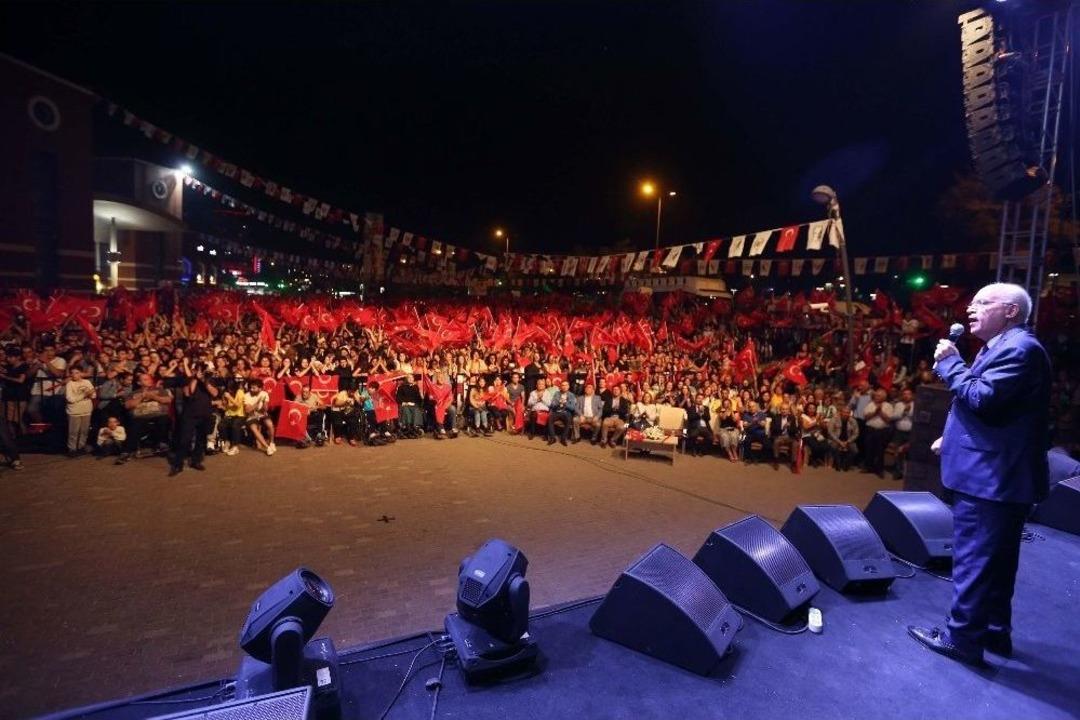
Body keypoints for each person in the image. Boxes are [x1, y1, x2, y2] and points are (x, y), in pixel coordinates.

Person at [908, 283, 1051, 667]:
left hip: (991, 480)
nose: (970, 309)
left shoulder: (1019, 349)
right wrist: (951, 438)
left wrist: (950, 363)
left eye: (982, 303)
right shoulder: (1004, 347)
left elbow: (981, 397)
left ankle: (963, 639)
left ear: (1010, 311)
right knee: (998, 562)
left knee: (974, 561)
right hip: (999, 475)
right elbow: (1001, 411)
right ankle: (993, 632)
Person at [170, 358, 219, 476]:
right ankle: (177, 465)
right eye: (199, 370)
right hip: (190, 415)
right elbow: (189, 392)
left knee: (201, 440)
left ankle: (196, 461)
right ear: (194, 370)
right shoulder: (187, 380)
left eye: (203, 370)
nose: (202, 372)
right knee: (184, 440)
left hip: (205, 414)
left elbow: (215, 393)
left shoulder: (209, 380)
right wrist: (196, 379)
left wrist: (204, 381)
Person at [64, 366, 96, 456]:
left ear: (81, 373)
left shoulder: (87, 382)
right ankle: (72, 449)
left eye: (77, 373)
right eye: (72, 373)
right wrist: (84, 395)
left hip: (86, 410)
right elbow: (70, 399)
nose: (74, 375)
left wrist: (90, 394)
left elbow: (94, 395)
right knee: (73, 432)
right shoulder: (70, 384)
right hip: (74, 412)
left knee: (84, 431)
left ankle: (81, 447)